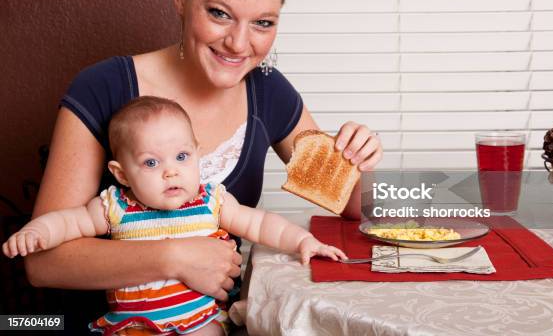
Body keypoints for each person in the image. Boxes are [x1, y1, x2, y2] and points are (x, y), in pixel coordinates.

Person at [24, 0, 383, 330]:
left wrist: (359, 160)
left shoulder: (268, 90)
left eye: (262, 22)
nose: (238, 43)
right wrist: (174, 256)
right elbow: (43, 262)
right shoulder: (104, 87)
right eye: (219, 14)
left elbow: (354, 207)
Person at [5, 96, 347, 335]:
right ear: (122, 173)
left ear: (198, 155)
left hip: (198, 323)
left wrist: (303, 240)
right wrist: (37, 233)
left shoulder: (210, 201)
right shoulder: (116, 206)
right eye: (152, 163)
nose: (171, 172)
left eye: (182, 157)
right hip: (133, 325)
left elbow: (260, 223)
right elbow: (68, 221)